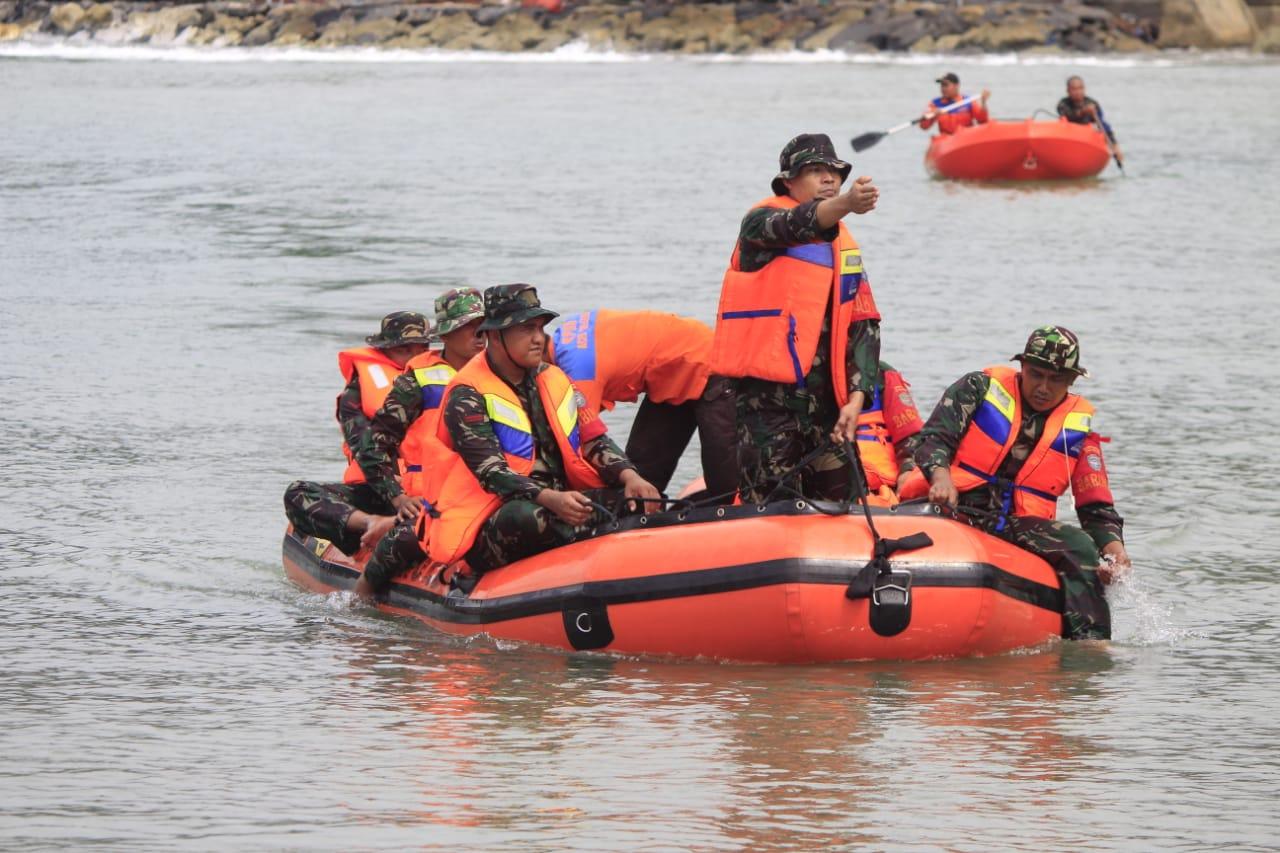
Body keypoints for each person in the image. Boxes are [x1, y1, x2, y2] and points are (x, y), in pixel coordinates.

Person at [355, 285, 661, 599]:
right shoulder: (467, 393)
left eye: (541, 328)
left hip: (557, 499)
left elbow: (593, 440)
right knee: (526, 518)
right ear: (496, 336)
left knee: (641, 499)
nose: (539, 338)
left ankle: (623, 556)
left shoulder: (555, 379)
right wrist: (550, 499)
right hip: (490, 511)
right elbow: (491, 473)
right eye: (527, 329)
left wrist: (630, 476)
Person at [907, 325, 1132, 640]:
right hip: (956, 506)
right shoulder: (977, 387)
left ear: (1071, 381)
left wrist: (1115, 550)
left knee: (1080, 547)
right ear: (1022, 367)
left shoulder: (1079, 431)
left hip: (1018, 524)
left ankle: (1090, 644)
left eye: (1055, 380)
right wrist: (941, 478)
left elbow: (1095, 504)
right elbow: (933, 440)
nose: (1043, 387)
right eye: (1036, 374)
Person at [708, 132, 882, 504]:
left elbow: (864, 325)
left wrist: (855, 400)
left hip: (829, 413)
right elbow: (797, 223)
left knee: (849, 513)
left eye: (835, 172)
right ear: (788, 180)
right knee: (771, 517)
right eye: (815, 171)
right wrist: (848, 203)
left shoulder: (845, 248)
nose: (829, 180)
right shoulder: (760, 224)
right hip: (767, 410)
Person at [546, 309, 738, 501]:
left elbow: (582, 443)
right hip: (668, 372)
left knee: (724, 479)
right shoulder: (565, 334)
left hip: (703, 359)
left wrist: (560, 496)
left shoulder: (577, 373)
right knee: (642, 472)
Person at [283, 312, 431, 556]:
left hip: (436, 491)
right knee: (298, 493)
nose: (415, 357)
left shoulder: (446, 380)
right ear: (385, 350)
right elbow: (366, 449)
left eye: (423, 348)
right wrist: (398, 497)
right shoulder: (358, 393)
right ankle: (369, 524)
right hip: (381, 493)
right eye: (405, 349)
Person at [357, 288, 487, 545]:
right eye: (469, 326)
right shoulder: (416, 382)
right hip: (429, 498)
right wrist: (398, 498)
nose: (480, 335)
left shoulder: (504, 372)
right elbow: (373, 445)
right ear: (446, 334)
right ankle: (366, 582)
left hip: (485, 493)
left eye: (484, 326)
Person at [854, 360, 925, 499]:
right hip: (824, 480)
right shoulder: (802, 374)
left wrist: (908, 471)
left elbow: (910, 434)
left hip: (882, 486)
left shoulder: (882, 374)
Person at [1057, 75, 1124, 165]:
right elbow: (1069, 116)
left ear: (1084, 89)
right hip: (1070, 139)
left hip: (1087, 141)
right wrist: (1084, 112)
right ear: (1068, 91)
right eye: (1074, 89)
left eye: (1080, 88)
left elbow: (1102, 125)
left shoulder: (1092, 104)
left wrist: (1115, 147)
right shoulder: (1063, 104)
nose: (1077, 92)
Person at [920, 72, 990, 135]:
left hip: (965, 138)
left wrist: (983, 102)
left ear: (957, 86)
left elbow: (983, 121)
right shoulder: (935, 104)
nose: (943, 88)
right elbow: (923, 126)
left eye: (946, 85)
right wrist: (933, 115)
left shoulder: (968, 101)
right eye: (942, 85)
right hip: (947, 142)